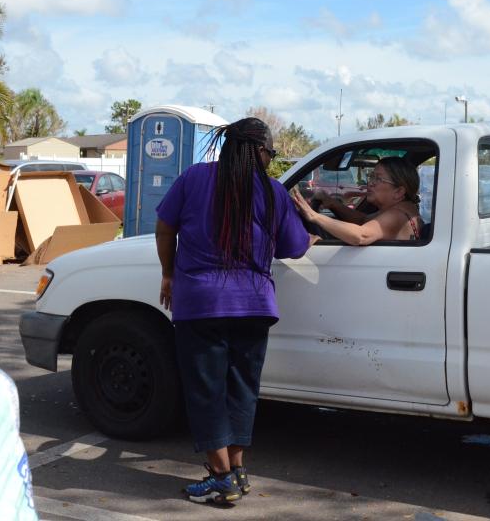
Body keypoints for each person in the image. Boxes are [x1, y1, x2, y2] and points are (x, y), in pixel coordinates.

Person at [154, 117, 310, 505]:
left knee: (206, 391)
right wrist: (312, 235)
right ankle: (235, 472)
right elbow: (294, 247)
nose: (271, 160)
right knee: (242, 389)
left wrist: (168, 274)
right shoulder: (273, 192)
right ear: (257, 151)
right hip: (255, 306)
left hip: (201, 304)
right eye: (271, 153)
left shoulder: (193, 179)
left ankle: (221, 477)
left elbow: (163, 226)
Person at [291, 157, 424, 245]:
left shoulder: (398, 215)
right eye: (371, 176)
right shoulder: (402, 209)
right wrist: (332, 203)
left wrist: (314, 216)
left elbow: (361, 235)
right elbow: (363, 220)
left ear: (399, 192)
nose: (370, 183)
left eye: (378, 179)